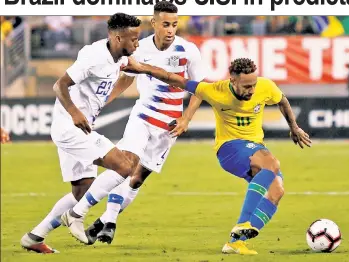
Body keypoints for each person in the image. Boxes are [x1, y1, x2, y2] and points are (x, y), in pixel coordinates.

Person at [123, 57, 312, 255]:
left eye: (253, 85)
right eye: (247, 86)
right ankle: (244, 222)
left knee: (277, 191)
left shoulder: (266, 86)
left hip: (254, 147)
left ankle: (236, 242)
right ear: (233, 81)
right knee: (271, 163)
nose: (252, 91)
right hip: (229, 149)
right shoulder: (214, 90)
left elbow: (282, 101)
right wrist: (141, 68)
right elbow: (173, 78)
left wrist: (294, 128)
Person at [72, 1, 206, 245]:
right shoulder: (139, 48)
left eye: (174, 25)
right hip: (142, 116)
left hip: (169, 125)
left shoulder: (188, 51)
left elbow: (200, 89)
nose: (170, 30)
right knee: (126, 165)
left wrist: (186, 118)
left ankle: (103, 221)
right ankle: (106, 222)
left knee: (137, 179)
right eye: (165, 24)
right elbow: (125, 79)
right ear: (153, 23)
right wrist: (103, 102)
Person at [20, 13, 141, 253]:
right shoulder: (93, 57)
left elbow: (127, 76)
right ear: (118, 37)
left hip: (79, 128)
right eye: (134, 38)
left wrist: (104, 100)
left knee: (82, 191)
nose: (137, 42)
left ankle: (35, 236)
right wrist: (75, 112)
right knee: (126, 166)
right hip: (70, 127)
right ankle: (75, 216)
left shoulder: (119, 57)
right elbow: (60, 85)